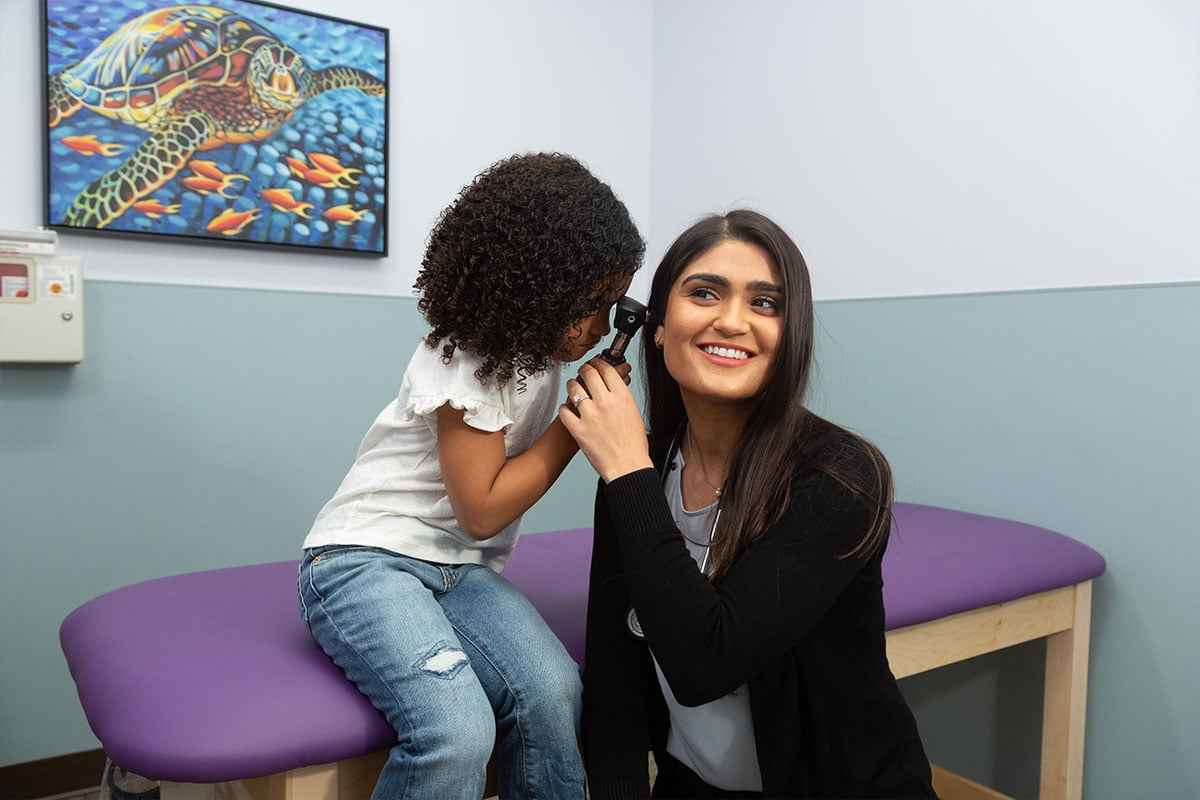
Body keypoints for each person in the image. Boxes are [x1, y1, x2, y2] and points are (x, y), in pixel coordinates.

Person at [298, 152, 644, 800]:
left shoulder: (535, 355)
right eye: (594, 305)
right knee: (455, 734)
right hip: (363, 560)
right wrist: (576, 426)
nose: (601, 327)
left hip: (460, 571)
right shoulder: (466, 355)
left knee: (555, 694)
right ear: (538, 285)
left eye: (611, 305)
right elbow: (482, 511)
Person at [560, 210, 936, 799]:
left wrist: (626, 471)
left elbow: (705, 663)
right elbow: (616, 673)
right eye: (704, 293)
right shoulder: (640, 466)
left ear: (791, 335)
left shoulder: (840, 475)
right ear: (658, 326)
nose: (732, 321)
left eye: (766, 303)